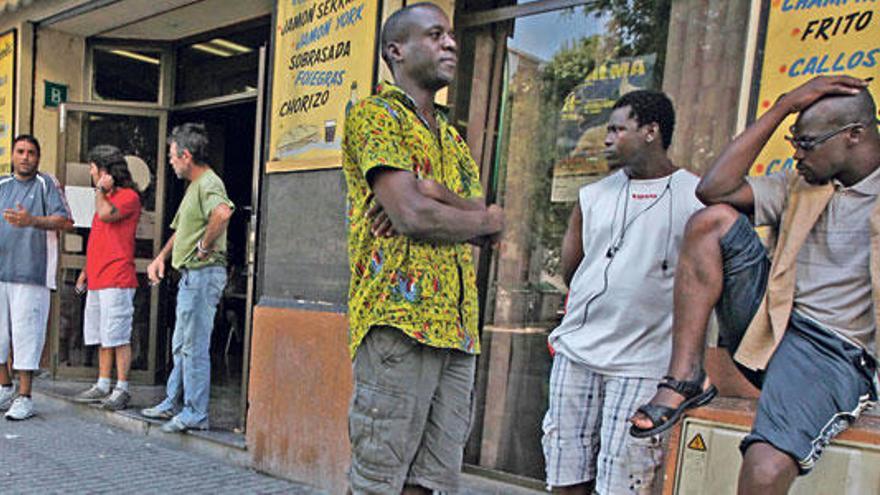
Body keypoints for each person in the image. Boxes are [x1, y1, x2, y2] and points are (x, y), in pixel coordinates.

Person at [630, 75, 879, 494]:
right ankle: (686, 376)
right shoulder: (799, 183)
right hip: (769, 324)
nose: (797, 154)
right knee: (711, 223)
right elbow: (713, 190)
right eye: (793, 140)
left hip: (831, 352)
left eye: (808, 143)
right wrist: (783, 106)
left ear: (854, 135)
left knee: (763, 471)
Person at [342, 3, 504, 494]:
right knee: (378, 481)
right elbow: (411, 217)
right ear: (397, 50)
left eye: (451, 35)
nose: (451, 43)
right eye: (436, 35)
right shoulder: (375, 116)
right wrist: (463, 215)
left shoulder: (453, 141)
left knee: (430, 483)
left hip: (457, 332)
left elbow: (489, 226)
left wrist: (436, 194)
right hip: (399, 323)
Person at [541, 91, 704, 494]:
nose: (608, 138)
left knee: (624, 478)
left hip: (643, 361)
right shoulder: (592, 196)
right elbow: (571, 269)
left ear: (651, 131)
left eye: (618, 128)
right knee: (565, 468)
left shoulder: (696, 196)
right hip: (578, 353)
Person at [141, 123, 233, 433]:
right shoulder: (195, 186)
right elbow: (182, 231)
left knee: (193, 345)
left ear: (186, 155)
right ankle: (172, 402)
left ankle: (195, 412)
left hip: (203, 274)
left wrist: (205, 247)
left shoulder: (208, 183)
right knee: (182, 343)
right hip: (192, 276)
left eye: (171, 156)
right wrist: (161, 258)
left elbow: (222, 212)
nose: (170, 162)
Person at [0, 134, 73, 420]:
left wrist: (32, 221)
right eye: (20, 151)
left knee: (26, 334)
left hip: (32, 273)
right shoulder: (2, 185)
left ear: (38, 158)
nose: (25, 156)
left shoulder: (47, 185)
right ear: (13, 156)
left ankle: (25, 396)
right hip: (1, 272)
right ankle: (5, 386)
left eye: (31, 152)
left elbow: (66, 220)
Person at [73, 145, 141, 411]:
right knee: (103, 334)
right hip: (99, 277)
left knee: (118, 334)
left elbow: (105, 215)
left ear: (104, 171)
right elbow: (98, 240)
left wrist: (101, 190)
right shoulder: (104, 197)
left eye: (92, 167)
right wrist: (85, 272)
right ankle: (103, 383)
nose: (90, 172)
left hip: (118, 277)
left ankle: (122, 388)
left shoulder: (128, 197)